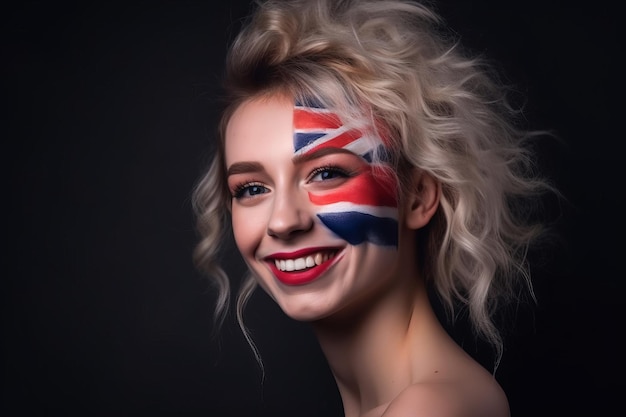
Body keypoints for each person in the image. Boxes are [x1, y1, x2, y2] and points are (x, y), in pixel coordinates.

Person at [191, 0, 556, 416]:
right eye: (252, 187)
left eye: (327, 174)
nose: (283, 221)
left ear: (417, 196)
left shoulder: (431, 408)